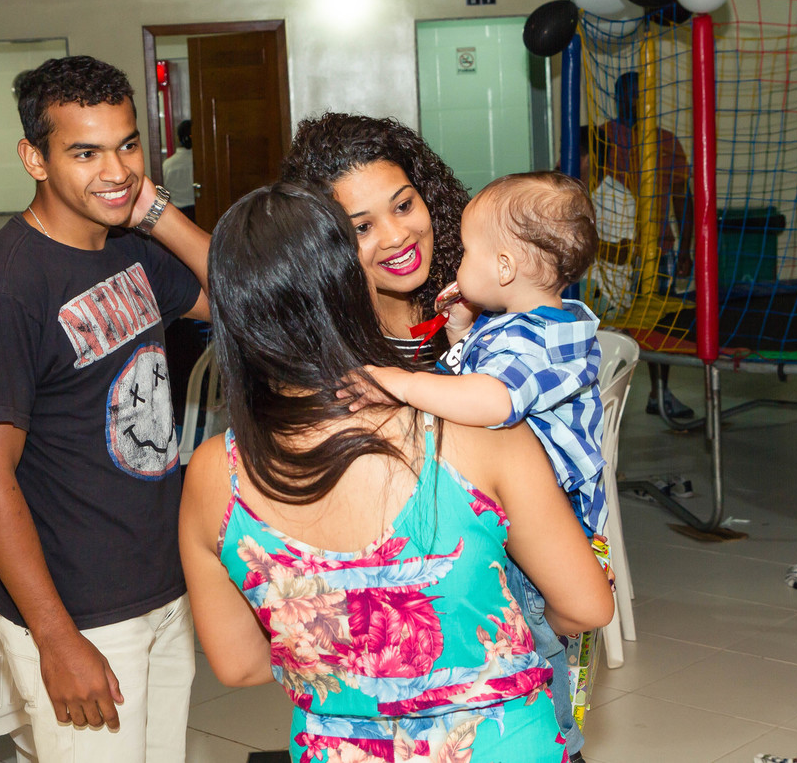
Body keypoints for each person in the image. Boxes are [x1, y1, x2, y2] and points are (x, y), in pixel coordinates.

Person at [179, 183, 613, 763]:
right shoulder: (473, 437)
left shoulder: (215, 475)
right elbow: (586, 606)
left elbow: (239, 665)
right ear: (351, 289)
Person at [0, 55, 211, 763]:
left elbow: (238, 298)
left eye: (128, 144)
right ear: (33, 158)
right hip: (81, 612)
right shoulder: (3, 290)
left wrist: (155, 213)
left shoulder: (126, 248)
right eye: (85, 152)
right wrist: (56, 637)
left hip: (158, 583)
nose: (116, 170)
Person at [348, 170, 605, 760]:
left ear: (506, 267)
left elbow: (491, 401)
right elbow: (480, 382)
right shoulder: (521, 325)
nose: (456, 260)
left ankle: (556, 741)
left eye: (467, 251)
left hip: (542, 533)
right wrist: (463, 330)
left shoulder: (541, 340)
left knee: (536, 652)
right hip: (518, 515)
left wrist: (399, 382)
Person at [279, 112, 469, 367]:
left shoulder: (483, 293)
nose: (396, 236)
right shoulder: (322, 346)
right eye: (362, 227)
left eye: (403, 206)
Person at [598, 71, 695, 420]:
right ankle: (601, 398)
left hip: (660, 252)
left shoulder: (667, 141)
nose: (635, 101)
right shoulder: (603, 138)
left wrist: (685, 250)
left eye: (642, 94)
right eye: (629, 94)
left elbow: (684, 201)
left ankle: (660, 393)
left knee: (661, 323)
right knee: (612, 325)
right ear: (617, 97)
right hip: (611, 256)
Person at [578, 126, 636, 318]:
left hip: (607, 294)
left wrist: (581, 238)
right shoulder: (571, 193)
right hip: (579, 284)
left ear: (586, 159)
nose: (561, 160)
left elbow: (623, 254)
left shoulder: (619, 197)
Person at [162, 118, 196, 221]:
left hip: (177, 215)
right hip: (199, 212)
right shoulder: (204, 162)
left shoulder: (168, 164)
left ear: (178, 138)